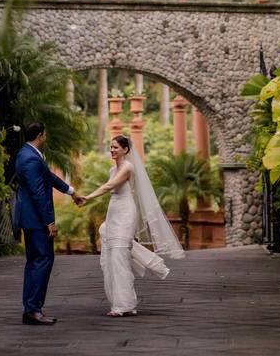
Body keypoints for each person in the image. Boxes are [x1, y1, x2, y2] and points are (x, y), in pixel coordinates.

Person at [80, 135, 185, 317]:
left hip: (126, 213)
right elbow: (112, 187)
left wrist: (87, 197)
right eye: (111, 147)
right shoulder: (113, 169)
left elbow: (111, 186)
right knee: (113, 256)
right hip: (113, 211)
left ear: (125, 150)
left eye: (116, 148)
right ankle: (124, 302)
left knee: (120, 255)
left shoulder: (128, 167)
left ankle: (123, 306)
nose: (112, 150)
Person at [12, 122, 85, 326]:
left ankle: (31, 308)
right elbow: (37, 192)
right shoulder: (31, 158)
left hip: (32, 218)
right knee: (42, 261)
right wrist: (49, 222)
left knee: (35, 261)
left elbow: (49, 177)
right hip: (36, 220)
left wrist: (71, 192)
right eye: (46, 134)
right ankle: (33, 310)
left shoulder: (28, 153)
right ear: (41, 135)